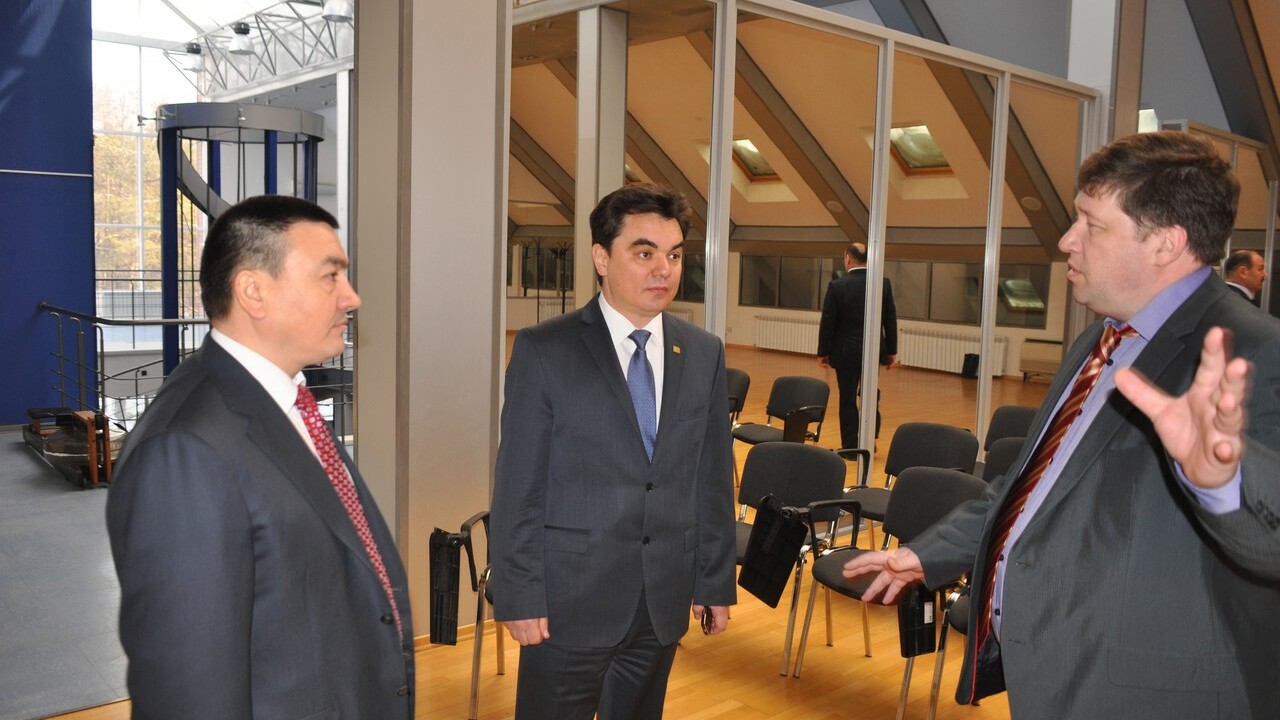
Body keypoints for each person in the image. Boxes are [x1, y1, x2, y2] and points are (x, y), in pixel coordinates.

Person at [844, 131, 1280, 719]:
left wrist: (1225, 482)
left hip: (1146, 698)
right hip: (1054, 674)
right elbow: (1032, 486)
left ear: (1166, 243)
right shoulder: (1100, 341)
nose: (1066, 240)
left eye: (1091, 225)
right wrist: (931, 554)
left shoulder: (1259, 354)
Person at [106, 195, 414, 719]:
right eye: (330, 276)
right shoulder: (185, 450)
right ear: (253, 291)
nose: (352, 297)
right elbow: (188, 692)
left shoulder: (286, 403)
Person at [490, 183, 737, 720]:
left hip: (660, 602)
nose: (664, 270)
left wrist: (714, 580)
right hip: (567, 604)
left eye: (674, 255)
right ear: (601, 259)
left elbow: (713, 478)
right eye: (644, 253)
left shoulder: (703, 353)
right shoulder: (545, 349)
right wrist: (519, 594)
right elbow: (518, 488)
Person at [817, 242, 898, 449]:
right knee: (870, 394)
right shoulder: (882, 284)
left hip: (845, 352)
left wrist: (823, 351)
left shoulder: (837, 286)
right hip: (872, 350)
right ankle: (870, 439)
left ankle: (851, 445)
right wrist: (891, 351)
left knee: (847, 398)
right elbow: (890, 319)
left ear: (848, 259)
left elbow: (828, 321)